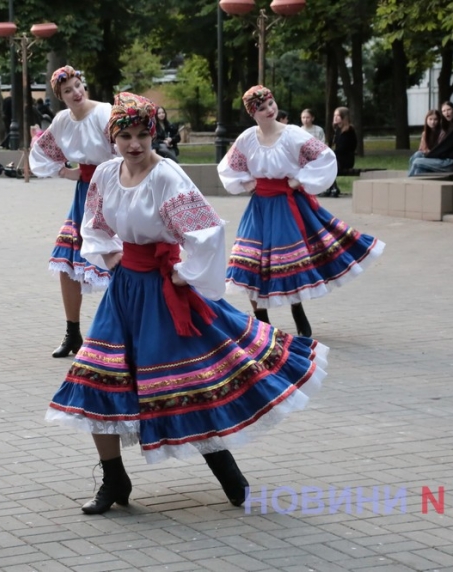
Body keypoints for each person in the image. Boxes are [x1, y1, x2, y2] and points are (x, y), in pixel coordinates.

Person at [46, 92, 329, 515]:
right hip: (124, 289)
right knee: (96, 378)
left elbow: (205, 231)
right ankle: (114, 479)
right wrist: (112, 257)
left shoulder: (166, 175)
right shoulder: (105, 173)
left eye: (143, 134)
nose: (134, 144)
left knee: (187, 381)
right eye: (125, 135)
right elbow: (94, 225)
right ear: (113, 138)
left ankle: (229, 473)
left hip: (163, 292)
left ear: (153, 134)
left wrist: (184, 273)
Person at [217, 86, 384, 337]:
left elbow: (325, 156)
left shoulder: (292, 134)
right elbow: (228, 166)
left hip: (287, 204)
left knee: (289, 261)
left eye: (271, 104)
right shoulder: (247, 139)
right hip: (260, 206)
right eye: (262, 108)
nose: (269, 110)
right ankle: (262, 318)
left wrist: (299, 180)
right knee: (249, 261)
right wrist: (246, 182)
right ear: (253, 114)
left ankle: (298, 311)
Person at [30, 65, 115, 358]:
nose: (76, 92)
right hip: (83, 194)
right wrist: (66, 172)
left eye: (78, 86)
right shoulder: (63, 120)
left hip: (113, 190)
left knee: (117, 259)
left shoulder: (104, 112)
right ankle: (72, 332)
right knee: (67, 261)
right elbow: (41, 152)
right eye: (68, 90)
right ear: (61, 97)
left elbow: (126, 148)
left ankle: (119, 332)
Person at [408, 101, 453, 177]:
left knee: (417, 162)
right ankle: (413, 184)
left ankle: (409, 182)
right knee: (417, 156)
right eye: (444, 111)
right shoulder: (446, 128)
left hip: (452, 163)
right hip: (442, 160)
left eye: (449, 109)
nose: (447, 113)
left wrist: (429, 155)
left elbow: (447, 145)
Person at [323, 106, 357, 197]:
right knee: (325, 163)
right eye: (334, 115)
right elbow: (331, 145)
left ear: (344, 117)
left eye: (338, 116)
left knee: (329, 163)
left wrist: (331, 153)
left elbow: (344, 148)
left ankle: (333, 188)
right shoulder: (337, 130)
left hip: (345, 159)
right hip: (336, 158)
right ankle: (332, 187)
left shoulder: (349, 131)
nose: (335, 117)